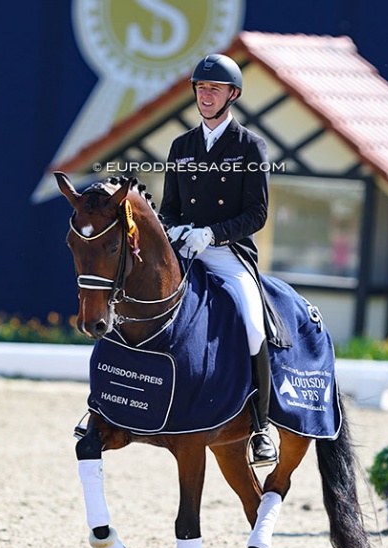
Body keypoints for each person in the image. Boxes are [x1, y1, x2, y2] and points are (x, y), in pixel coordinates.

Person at [159, 53, 278, 467]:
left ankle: (261, 426)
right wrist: (173, 230)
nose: (205, 96)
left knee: (251, 323)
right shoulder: (182, 146)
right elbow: (168, 207)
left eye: (214, 89)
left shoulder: (250, 147)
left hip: (227, 253)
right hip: (184, 250)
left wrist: (212, 234)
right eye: (201, 88)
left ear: (232, 95)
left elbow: (256, 215)